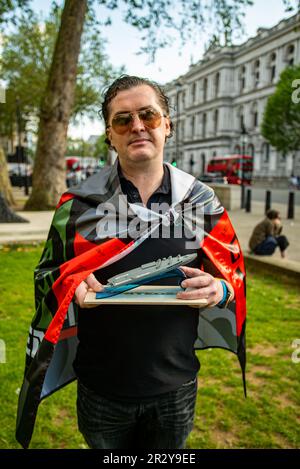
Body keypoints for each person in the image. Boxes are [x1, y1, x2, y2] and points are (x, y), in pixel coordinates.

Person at [16, 75, 246, 450]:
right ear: (110, 134)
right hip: (102, 386)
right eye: (123, 120)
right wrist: (71, 284)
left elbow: (233, 272)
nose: (137, 126)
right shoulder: (78, 204)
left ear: (167, 125)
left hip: (176, 385)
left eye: (148, 115)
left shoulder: (201, 201)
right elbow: (46, 275)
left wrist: (220, 288)